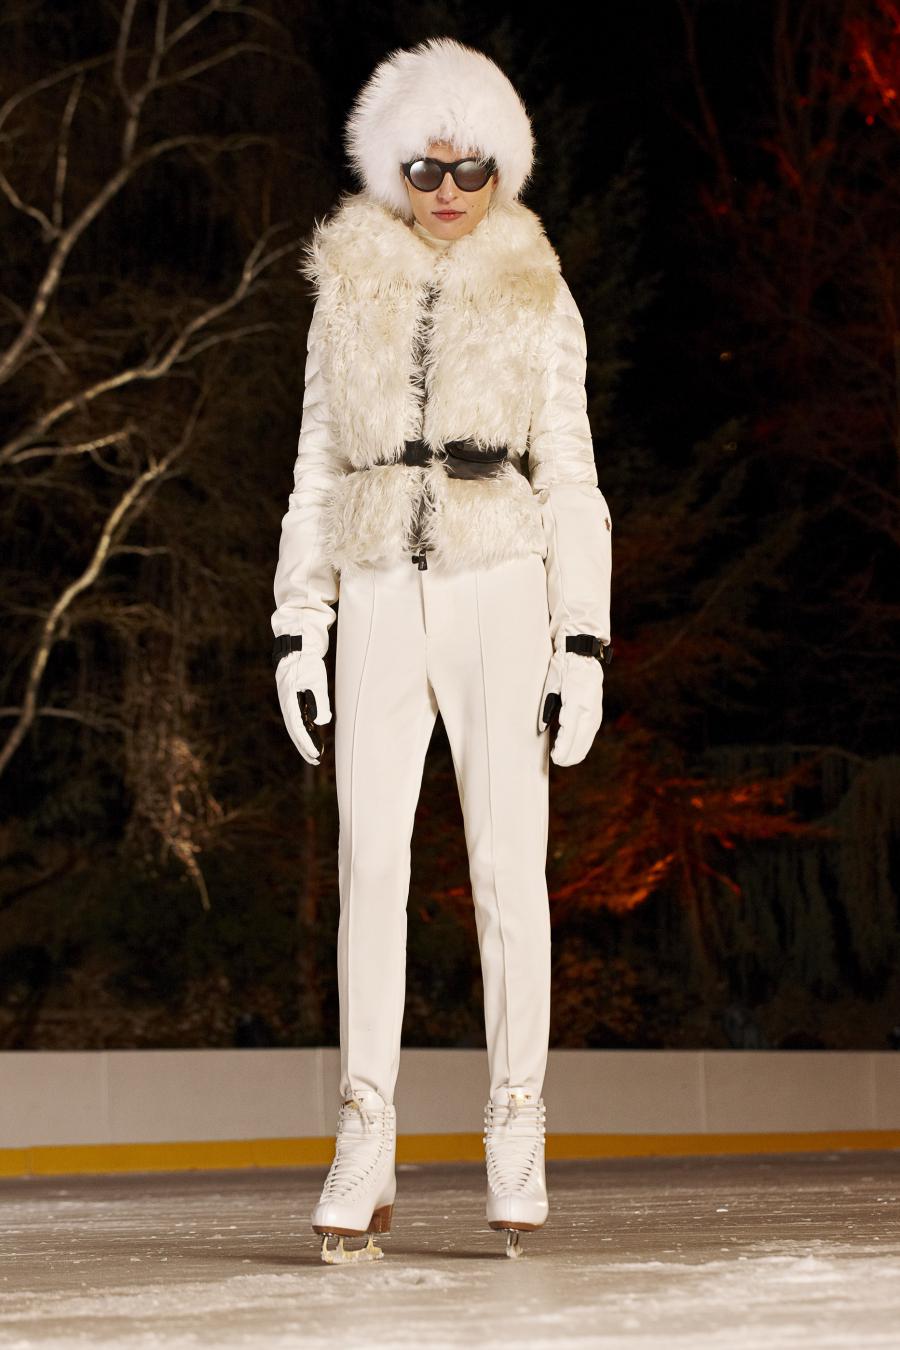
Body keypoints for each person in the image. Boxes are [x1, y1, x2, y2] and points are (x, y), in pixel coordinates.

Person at [271, 36, 612, 1262]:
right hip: (375, 580)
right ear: (391, 168)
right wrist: (298, 623)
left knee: (509, 871)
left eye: (472, 168)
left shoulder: (537, 287)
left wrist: (583, 638)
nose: (450, 190)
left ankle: (517, 1121)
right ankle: (365, 1130)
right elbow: (315, 464)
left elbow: (570, 472)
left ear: (502, 167)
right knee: (370, 865)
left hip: (498, 579)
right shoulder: (346, 285)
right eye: (426, 167)